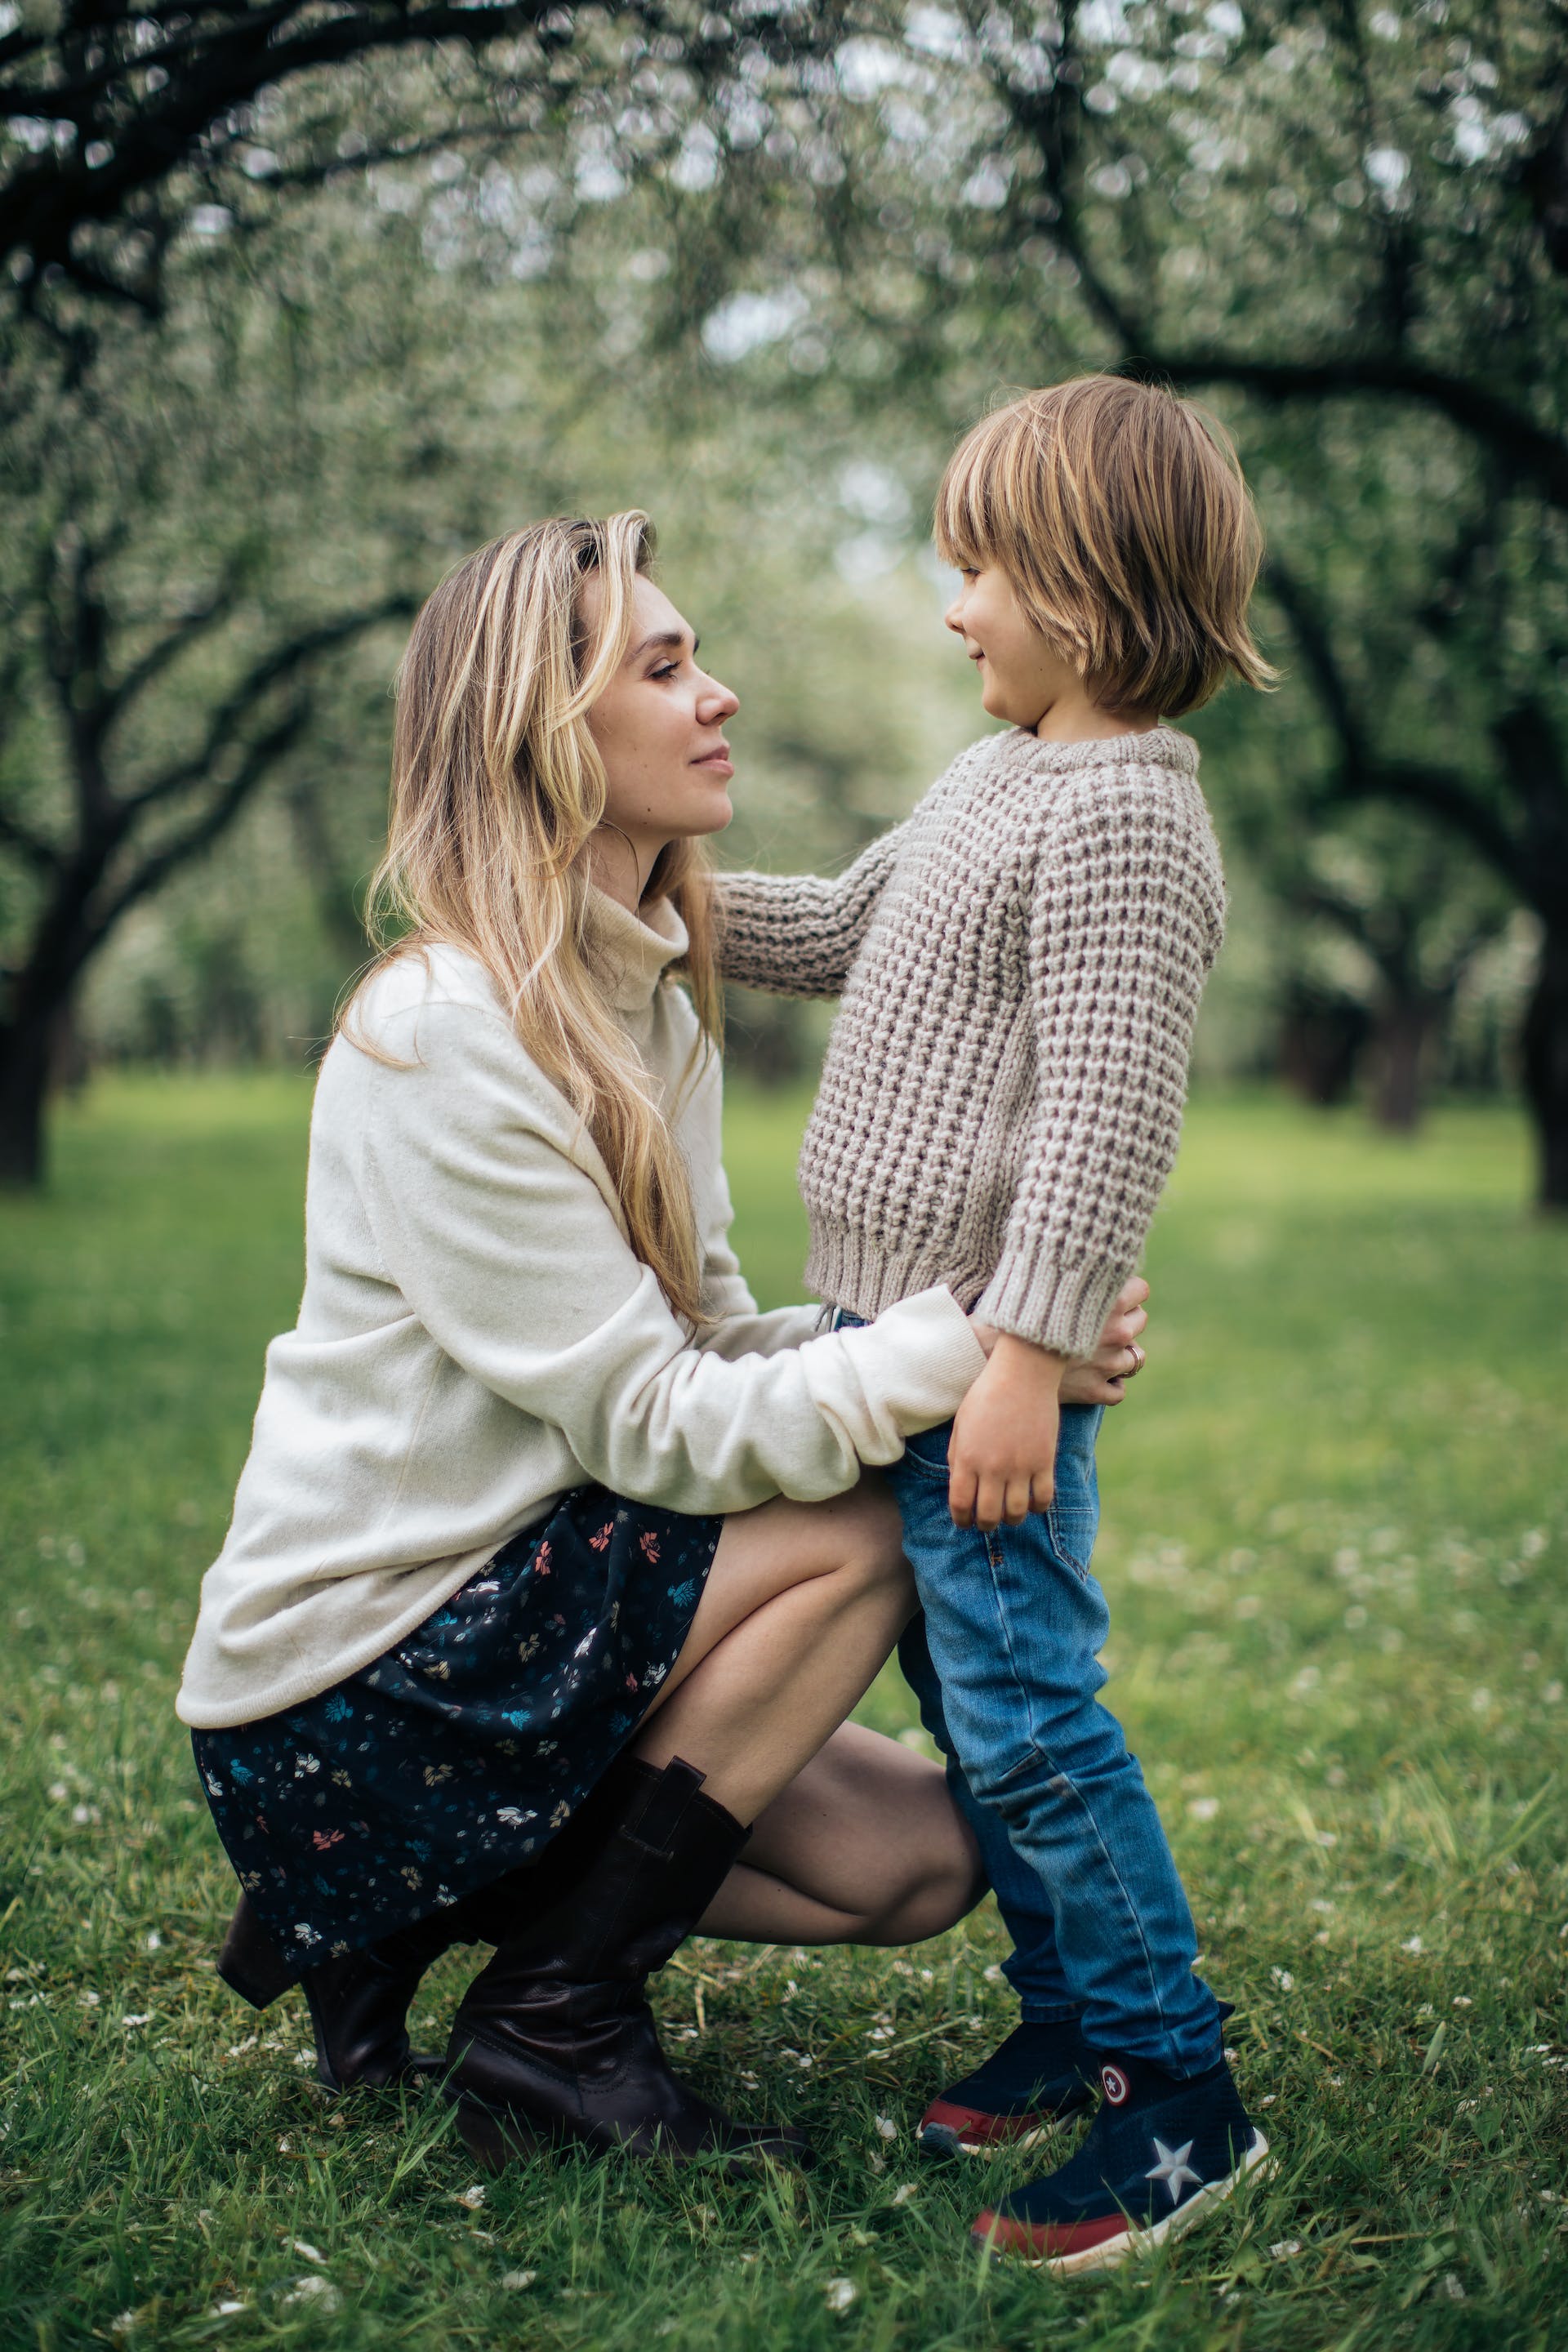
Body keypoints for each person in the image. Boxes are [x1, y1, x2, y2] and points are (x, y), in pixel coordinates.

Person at [174, 510, 1145, 2179]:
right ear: (540, 734)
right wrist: (968, 1352)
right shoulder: (443, 1037)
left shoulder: (645, 1005)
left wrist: (991, 1334)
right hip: (354, 1675)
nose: (724, 697)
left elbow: (699, 1336)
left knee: (915, 1867)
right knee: (869, 1506)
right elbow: (665, 1429)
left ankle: (394, 1919)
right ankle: (554, 2022)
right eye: (668, 666)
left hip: (521, 1606)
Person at [715, 376, 1276, 2270]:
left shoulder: (1123, 813)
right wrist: (634, 891)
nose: (951, 603)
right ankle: (1063, 2012)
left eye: (981, 568)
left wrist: (1029, 1354)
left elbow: (1110, 1106)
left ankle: (1171, 2096)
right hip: (908, 1335)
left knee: (1030, 1718)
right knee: (970, 1703)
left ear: (1091, 594)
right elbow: (839, 929)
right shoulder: (997, 774)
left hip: (982, 1361)